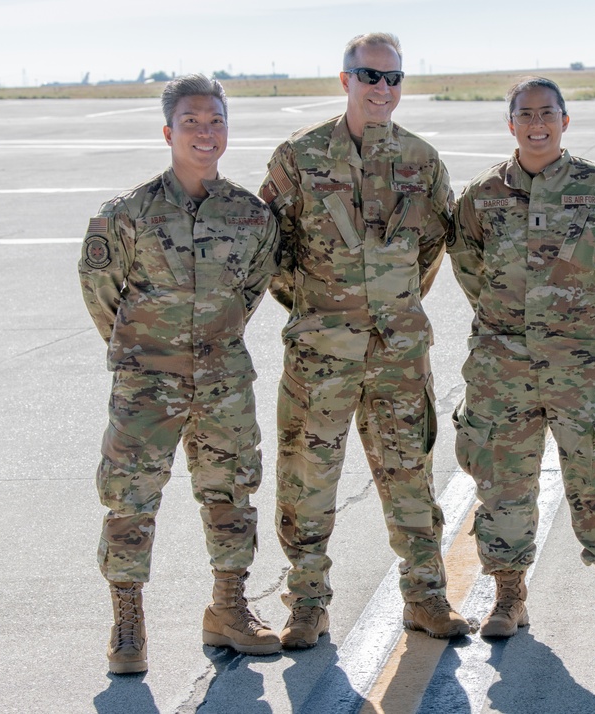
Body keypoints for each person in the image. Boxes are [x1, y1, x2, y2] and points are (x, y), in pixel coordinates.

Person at [258, 32, 469, 649]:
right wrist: (321, 311)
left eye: (393, 78)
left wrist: (392, 308)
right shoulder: (298, 158)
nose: (382, 89)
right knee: (307, 477)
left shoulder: (422, 161)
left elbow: (431, 252)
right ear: (344, 78)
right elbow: (272, 254)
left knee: (410, 474)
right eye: (370, 76)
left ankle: (426, 596)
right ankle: (307, 604)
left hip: (399, 355)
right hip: (321, 355)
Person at [79, 73, 282, 674]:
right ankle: (127, 624)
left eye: (215, 121)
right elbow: (102, 295)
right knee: (130, 502)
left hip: (223, 381)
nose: (205, 131)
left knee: (231, 495)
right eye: (191, 121)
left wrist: (208, 345)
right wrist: (149, 350)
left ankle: (228, 609)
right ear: (169, 131)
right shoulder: (126, 214)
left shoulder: (251, 216)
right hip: (147, 385)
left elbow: (252, 290)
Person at [447, 77, 595, 638]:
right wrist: (508, 320)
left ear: (564, 120)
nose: (537, 123)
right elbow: (467, 263)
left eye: (547, 113)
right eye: (525, 114)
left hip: (585, 367)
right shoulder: (481, 195)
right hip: (502, 367)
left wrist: (587, 318)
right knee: (503, 485)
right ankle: (508, 598)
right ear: (511, 124)